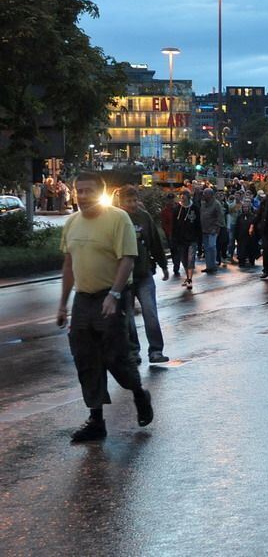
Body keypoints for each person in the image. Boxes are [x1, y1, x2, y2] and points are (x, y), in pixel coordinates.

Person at [56, 173, 154, 442]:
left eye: (88, 191)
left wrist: (114, 294)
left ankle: (138, 393)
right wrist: (63, 305)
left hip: (111, 297)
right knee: (85, 359)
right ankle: (96, 420)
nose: (82, 196)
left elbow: (127, 260)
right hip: (83, 300)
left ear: (101, 192)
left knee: (116, 358)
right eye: (79, 191)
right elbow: (68, 265)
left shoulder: (117, 218)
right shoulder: (72, 223)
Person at [119, 186, 170, 365]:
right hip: (123, 278)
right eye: (128, 201)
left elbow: (155, 242)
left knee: (150, 312)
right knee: (128, 317)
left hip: (143, 273)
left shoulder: (144, 217)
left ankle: (156, 350)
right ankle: (133, 351)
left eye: (134, 200)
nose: (132, 204)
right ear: (121, 201)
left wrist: (163, 265)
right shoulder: (115, 218)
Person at [171, 189, 201, 290]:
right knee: (184, 260)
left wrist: (199, 238)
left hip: (192, 238)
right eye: (181, 198)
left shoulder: (195, 209)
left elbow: (198, 224)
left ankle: (189, 280)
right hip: (180, 239)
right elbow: (174, 225)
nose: (182, 200)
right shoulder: (176, 209)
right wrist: (174, 238)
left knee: (190, 259)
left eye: (184, 198)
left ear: (188, 198)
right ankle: (188, 277)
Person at [199, 188, 225, 274]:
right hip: (204, 229)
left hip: (213, 230)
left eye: (205, 194)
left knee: (211, 247)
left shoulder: (216, 204)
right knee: (206, 249)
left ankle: (213, 265)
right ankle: (208, 266)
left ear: (210, 195)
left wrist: (216, 228)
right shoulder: (203, 204)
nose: (203, 195)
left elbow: (220, 217)